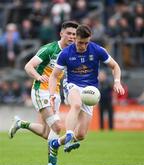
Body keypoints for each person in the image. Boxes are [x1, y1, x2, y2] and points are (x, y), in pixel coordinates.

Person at [8, 21, 79, 165]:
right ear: (61, 33)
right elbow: (28, 66)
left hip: (55, 93)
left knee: (47, 132)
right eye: (69, 33)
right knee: (57, 127)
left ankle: (21, 124)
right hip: (41, 90)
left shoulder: (73, 52)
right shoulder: (50, 49)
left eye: (74, 34)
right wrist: (38, 77)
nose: (72, 37)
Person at [48, 24, 125, 155]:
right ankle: (69, 134)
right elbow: (54, 76)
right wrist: (51, 94)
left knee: (81, 135)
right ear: (75, 38)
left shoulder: (97, 50)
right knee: (76, 104)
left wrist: (117, 82)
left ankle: (55, 144)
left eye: (86, 43)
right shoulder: (65, 53)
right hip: (72, 85)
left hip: (90, 91)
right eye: (80, 42)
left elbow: (115, 66)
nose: (83, 46)